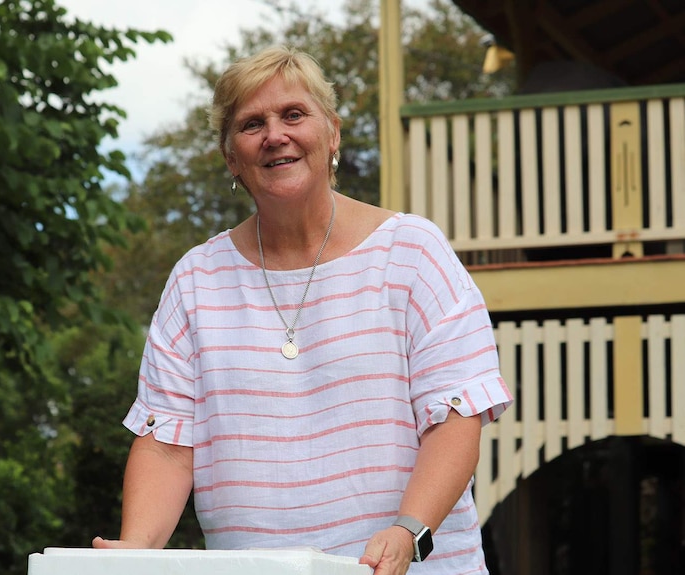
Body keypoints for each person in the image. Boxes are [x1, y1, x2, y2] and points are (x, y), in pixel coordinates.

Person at [93, 45, 513, 575]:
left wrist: (410, 528)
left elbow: (455, 418)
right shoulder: (196, 279)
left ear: (332, 133)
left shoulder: (412, 252)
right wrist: (137, 551)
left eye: (294, 114)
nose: (275, 135)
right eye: (251, 124)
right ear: (231, 157)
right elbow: (168, 446)